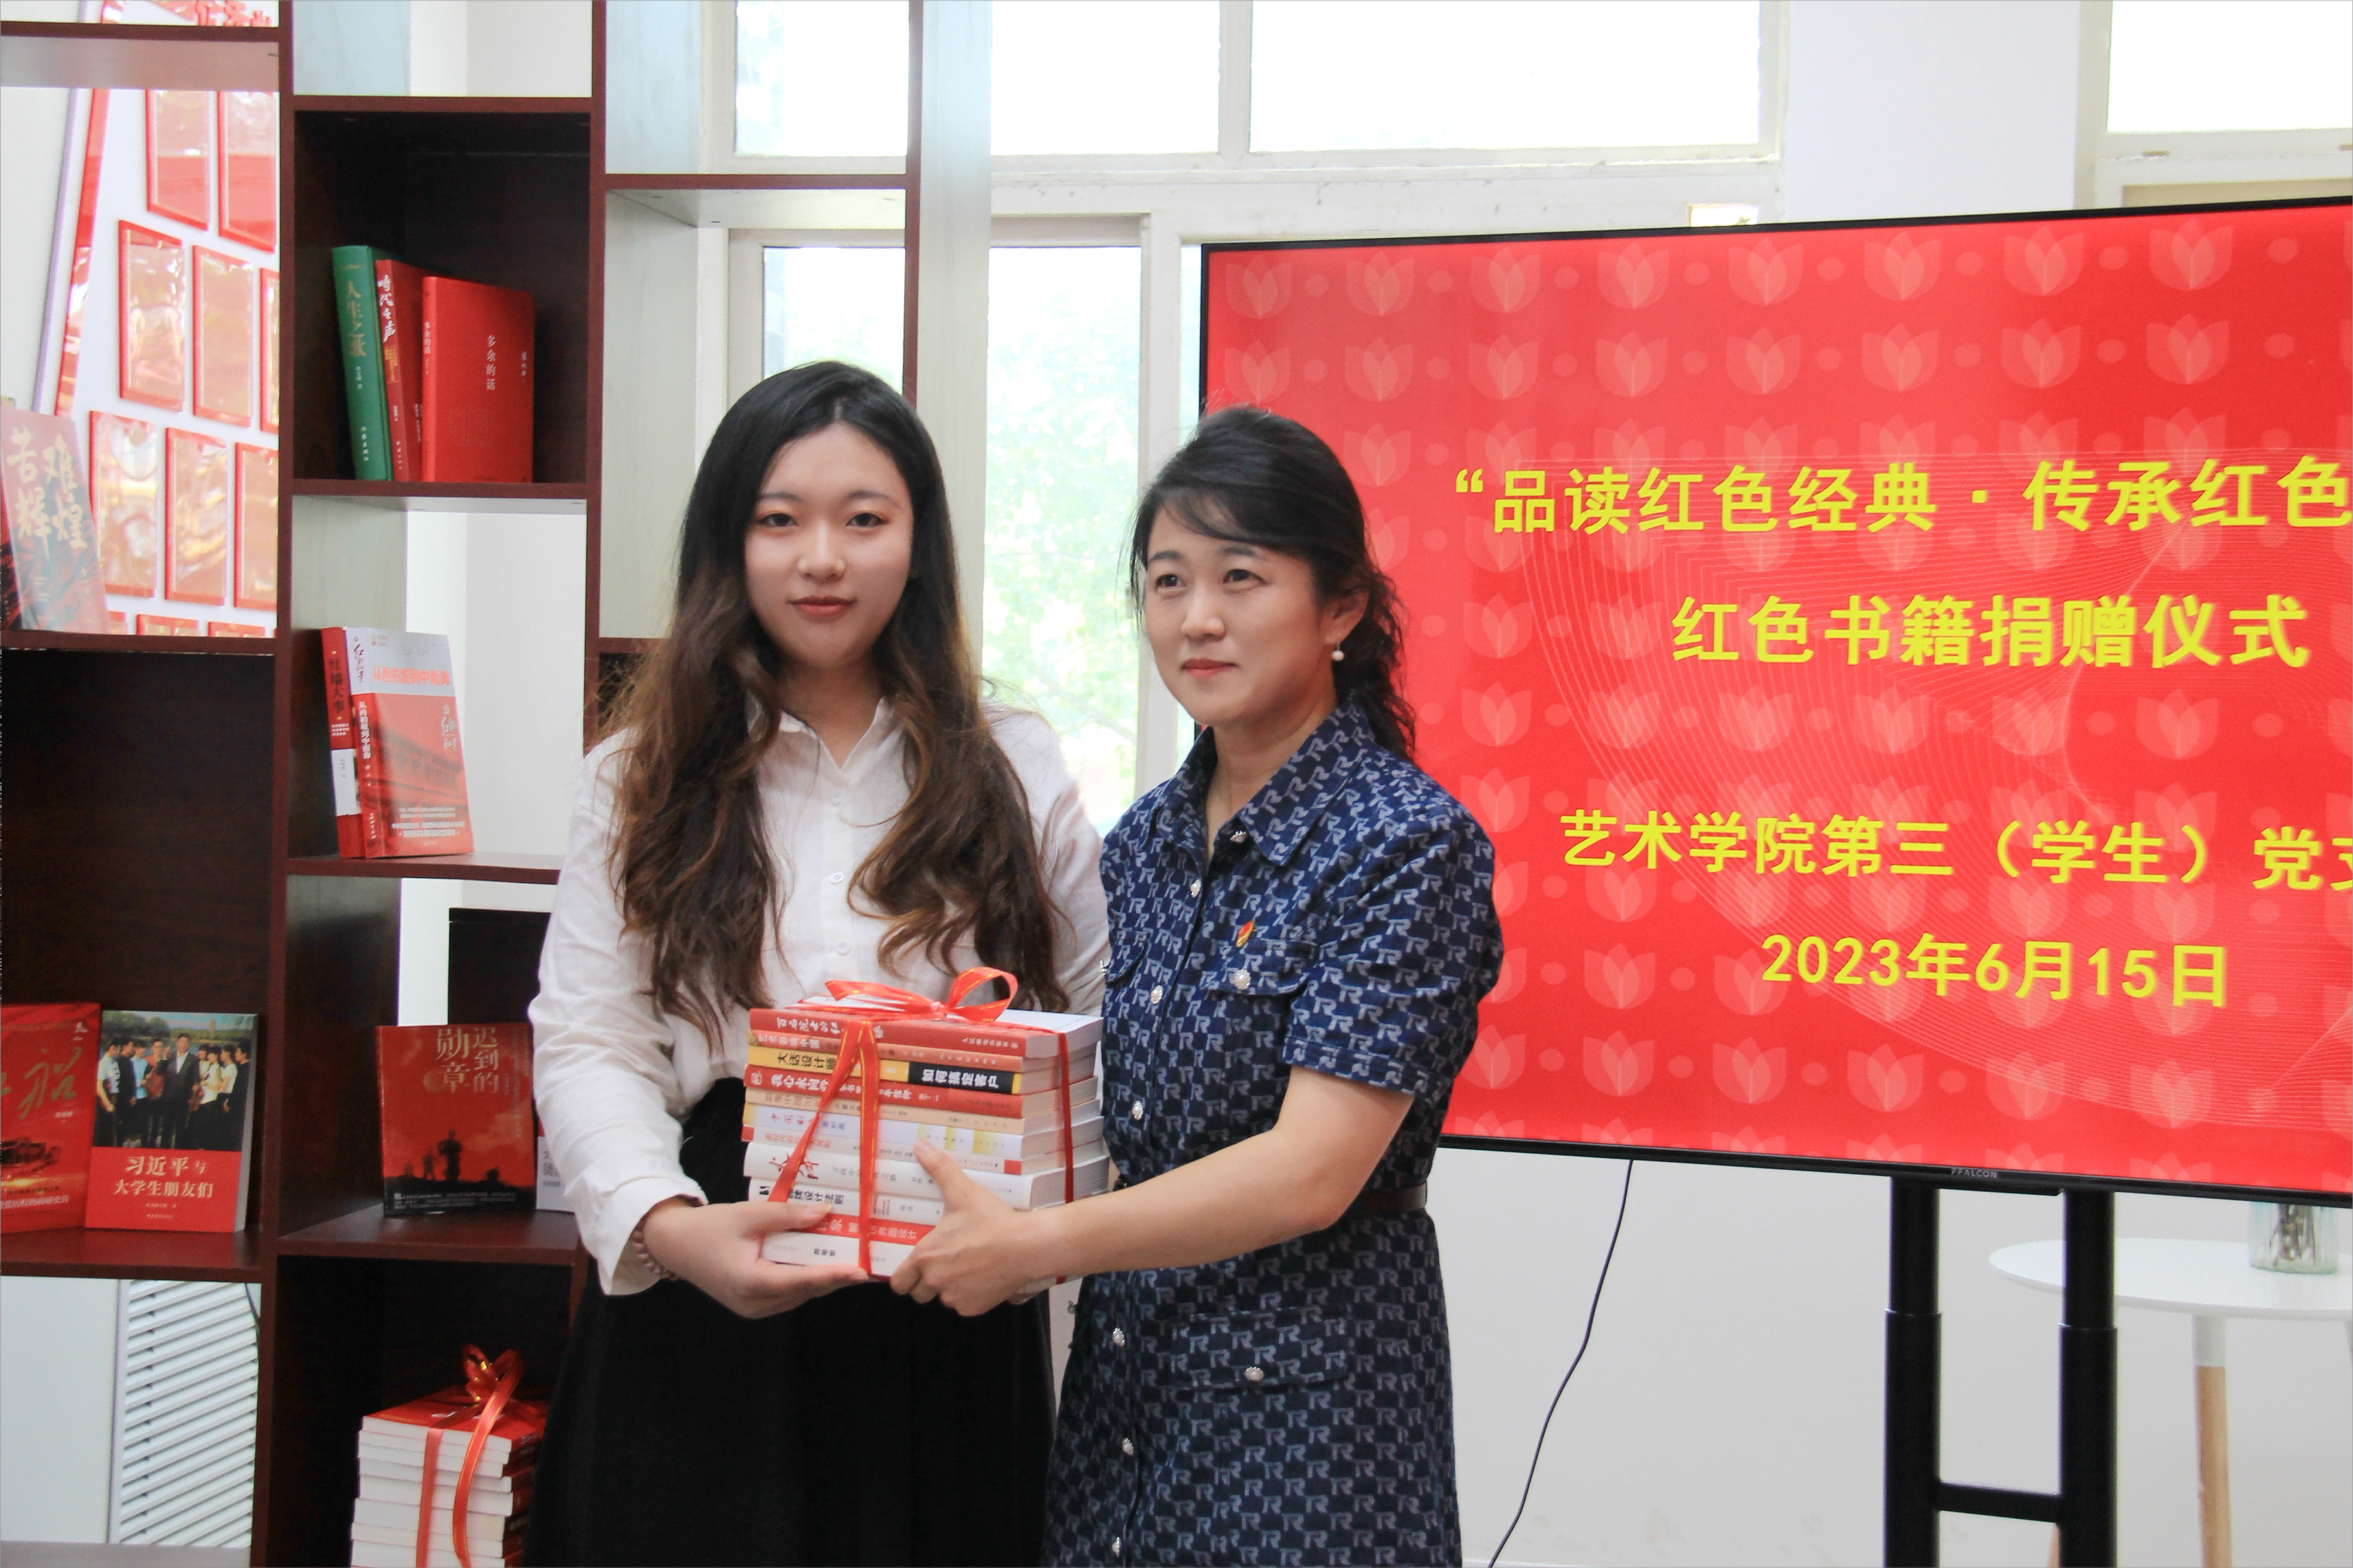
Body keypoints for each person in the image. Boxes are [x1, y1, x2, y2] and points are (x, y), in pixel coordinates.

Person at [892, 406, 1502, 1566]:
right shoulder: (1140, 844)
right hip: (1127, 1391)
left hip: (1311, 1420)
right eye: (1166, 582)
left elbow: (1311, 1170)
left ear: (1340, 607)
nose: (1196, 618)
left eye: (1240, 577)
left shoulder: (1403, 844)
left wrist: (1032, 1247)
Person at [525, 361, 1108, 1568]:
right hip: (711, 1256)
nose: (822, 560)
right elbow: (589, 1038)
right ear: (727, 544)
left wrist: (1028, 1244)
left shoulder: (1014, 763)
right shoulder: (638, 776)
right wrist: (668, 1229)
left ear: (919, 542)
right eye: (779, 520)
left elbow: (1091, 1034)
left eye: (865, 519)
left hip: (947, 1285)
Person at [93, 1038, 125, 1148]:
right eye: (116, 1048)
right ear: (110, 1048)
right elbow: (99, 1086)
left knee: (112, 1129)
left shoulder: (114, 1062)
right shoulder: (103, 1063)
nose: (118, 1050)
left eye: (118, 1047)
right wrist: (107, 1103)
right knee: (104, 1130)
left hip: (114, 1097)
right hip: (105, 1099)